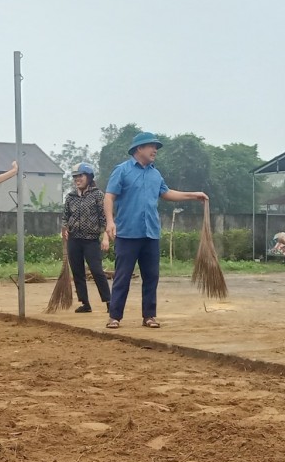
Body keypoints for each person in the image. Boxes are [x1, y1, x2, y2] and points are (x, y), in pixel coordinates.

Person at [102, 132, 209, 329]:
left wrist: (193, 195)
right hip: (127, 233)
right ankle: (115, 316)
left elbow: (167, 193)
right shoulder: (122, 171)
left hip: (151, 233)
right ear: (139, 149)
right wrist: (110, 222)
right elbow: (109, 196)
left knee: (151, 276)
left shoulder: (155, 174)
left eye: (156, 147)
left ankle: (149, 316)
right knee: (122, 276)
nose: (155, 151)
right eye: (152, 146)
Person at [60, 162, 111, 313]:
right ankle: (85, 303)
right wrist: (64, 229)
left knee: (96, 270)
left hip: (91, 240)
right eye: (75, 177)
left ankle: (109, 300)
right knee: (77, 271)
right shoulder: (70, 197)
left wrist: (106, 237)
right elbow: (65, 216)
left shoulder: (97, 195)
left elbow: (104, 218)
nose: (77, 179)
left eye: (80, 176)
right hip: (74, 239)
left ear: (88, 177)